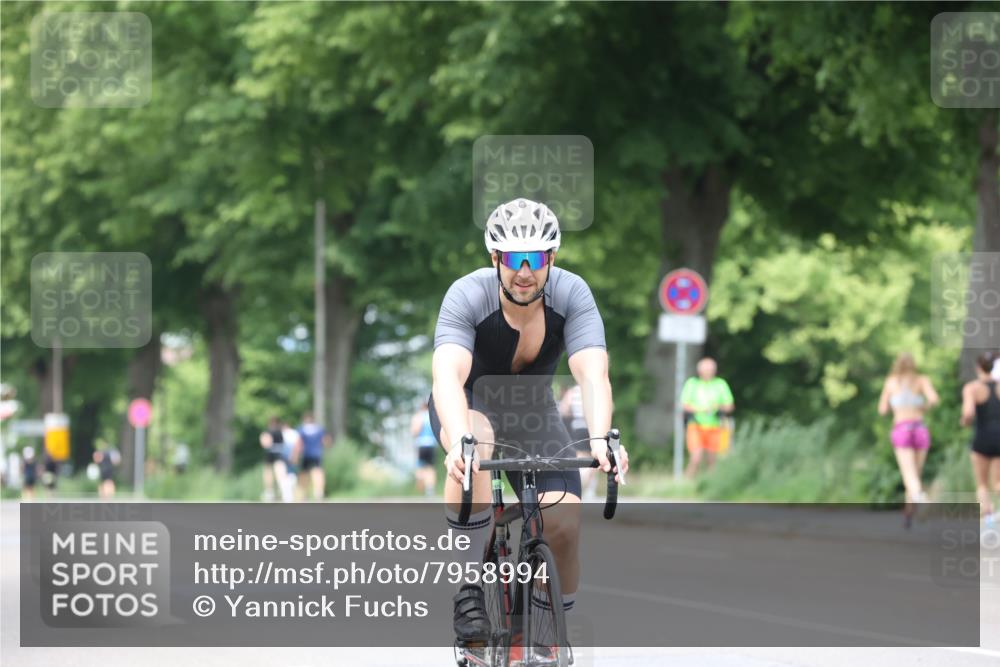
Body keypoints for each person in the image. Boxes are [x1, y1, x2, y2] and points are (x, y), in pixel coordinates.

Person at [428, 197, 627, 653]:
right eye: (512, 258)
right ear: (494, 257)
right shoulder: (467, 295)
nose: (523, 271)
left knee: (565, 523)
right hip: (470, 403)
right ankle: (469, 592)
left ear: (551, 258)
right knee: (474, 444)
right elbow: (447, 376)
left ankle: (547, 631)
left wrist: (600, 438)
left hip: (533, 412)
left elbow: (592, 374)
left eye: (534, 258)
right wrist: (458, 441)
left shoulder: (572, 294)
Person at [877, 352, 940, 524]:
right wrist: (923, 407)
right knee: (914, 474)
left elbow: (882, 409)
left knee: (909, 474)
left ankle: (922, 501)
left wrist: (896, 407)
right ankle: (909, 512)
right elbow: (934, 399)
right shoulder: (921, 380)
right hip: (919, 428)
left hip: (902, 429)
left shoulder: (891, 382)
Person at [961, 351, 1000, 525]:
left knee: (982, 484)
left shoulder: (972, 388)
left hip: (982, 437)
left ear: (978, 367)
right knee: (998, 483)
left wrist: (965, 421)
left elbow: (968, 413)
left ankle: (988, 518)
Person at [681, 357, 735, 478]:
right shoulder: (692, 384)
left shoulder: (720, 384)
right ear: (700, 371)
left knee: (712, 460)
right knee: (696, 458)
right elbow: (684, 405)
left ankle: (710, 484)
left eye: (711, 370)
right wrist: (701, 410)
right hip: (696, 425)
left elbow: (730, 406)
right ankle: (686, 483)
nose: (709, 372)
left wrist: (718, 407)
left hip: (715, 426)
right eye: (706, 370)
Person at [559, 383, 598, 500]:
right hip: (594, 427)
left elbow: (563, 409)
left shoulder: (573, 391)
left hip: (578, 426)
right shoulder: (596, 389)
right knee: (595, 457)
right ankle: (590, 487)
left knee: (580, 457)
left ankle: (581, 484)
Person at [297, 412, 331, 501]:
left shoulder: (302, 429)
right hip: (317, 454)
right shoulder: (319, 429)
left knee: (304, 474)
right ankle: (319, 492)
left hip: (306, 454)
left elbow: (299, 442)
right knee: (318, 473)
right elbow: (325, 440)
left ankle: (304, 494)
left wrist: (296, 454)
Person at [411, 402, 438, 497]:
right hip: (432, 444)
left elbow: (415, 431)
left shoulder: (419, 416)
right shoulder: (433, 417)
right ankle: (430, 489)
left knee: (420, 467)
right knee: (430, 468)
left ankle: (421, 487)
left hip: (421, 444)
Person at [259, 416, 288, 502]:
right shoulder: (281, 432)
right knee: (280, 474)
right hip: (279, 454)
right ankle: (283, 492)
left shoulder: (268, 432)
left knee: (269, 473)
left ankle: (270, 492)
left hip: (271, 454)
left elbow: (265, 443)